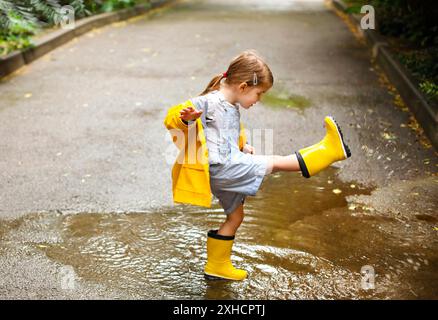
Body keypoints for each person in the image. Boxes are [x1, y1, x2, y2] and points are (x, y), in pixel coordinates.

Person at [163, 50, 351, 281]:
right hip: (221, 167)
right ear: (243, 87)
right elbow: (172, 117)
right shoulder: (210, 101)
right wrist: (186, 118)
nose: (258, 100)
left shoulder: (231, 105)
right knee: (275, 162)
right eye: (259, 93)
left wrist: (244, 146)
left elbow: (227, 135)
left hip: (227, 165)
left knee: (236, 217)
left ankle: (217, 267)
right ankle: (329, 150)